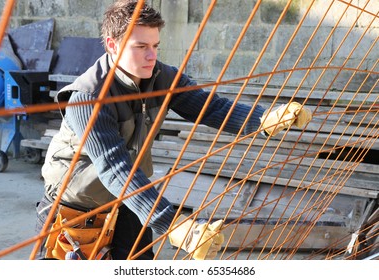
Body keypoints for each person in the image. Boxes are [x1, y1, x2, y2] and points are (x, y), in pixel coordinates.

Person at [35, 0, 311, 260]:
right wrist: (175, 225)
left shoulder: (161, 77)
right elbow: (114, 168)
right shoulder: (88, 96)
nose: (152, 55)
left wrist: (265, 120)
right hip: (75, 207)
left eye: (156, 45)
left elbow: (210, 107)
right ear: (112, 45)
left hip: (126, 199)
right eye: (140, 46)